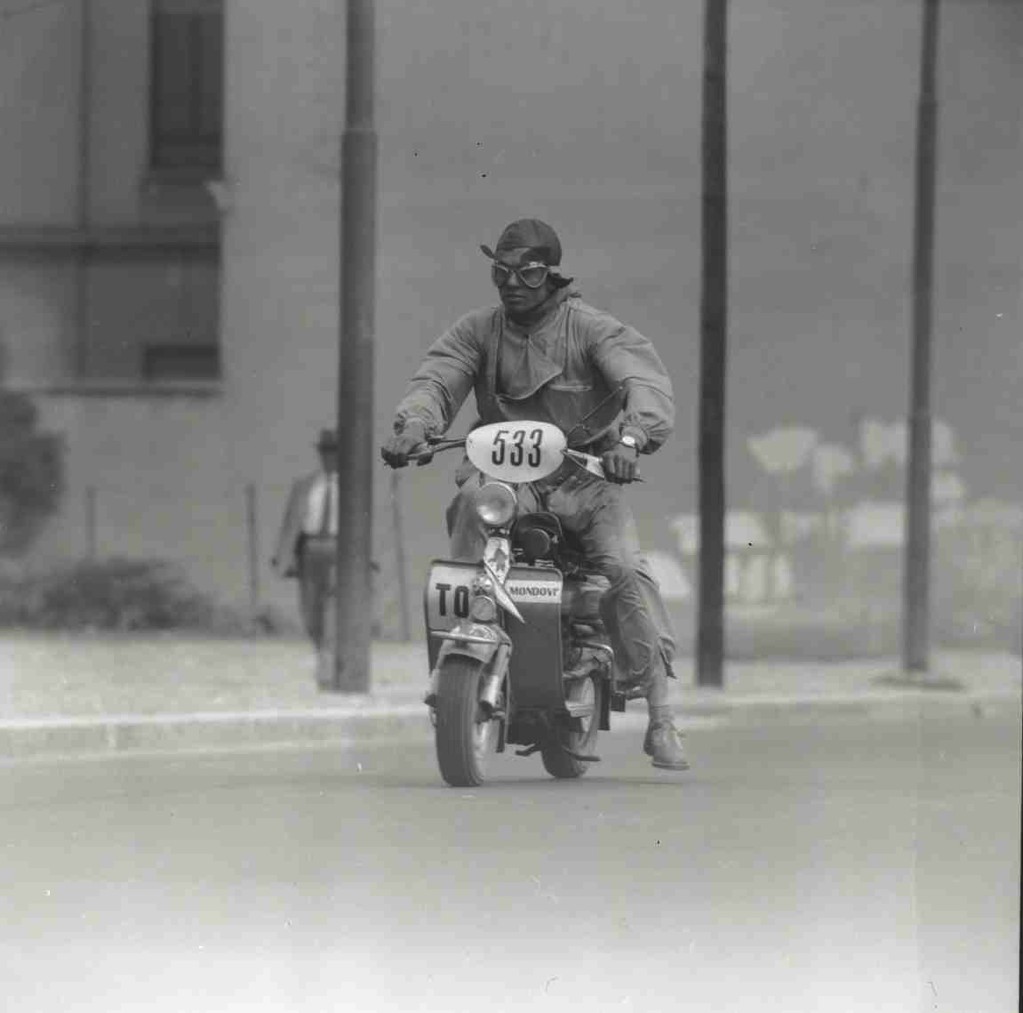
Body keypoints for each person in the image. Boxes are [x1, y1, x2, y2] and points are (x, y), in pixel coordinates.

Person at [381, 218, 688, 770]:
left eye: (529, 271)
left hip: (589, 479)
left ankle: (661, 716)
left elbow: (644, 381)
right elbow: (437, 378)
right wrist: (414, 426)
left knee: (621, 568)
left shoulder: (592, 328)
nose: (513, 282)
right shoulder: (477, 331)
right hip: (507, 484)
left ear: (552, 274)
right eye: (502, 271)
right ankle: (463, 643)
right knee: (470, 511)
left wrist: (631, 436)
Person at [272, 428, 340, 649]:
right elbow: (290, 524)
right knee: (310, 604)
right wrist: (283, 557)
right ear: (320, 454)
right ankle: (319, 645)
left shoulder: (352, 487)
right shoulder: (305, 485)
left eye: (334, 451)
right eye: (326, 451)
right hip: (310, 548)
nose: (330, 456)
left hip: (339, 547)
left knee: (335, 601)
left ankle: (331, 650)